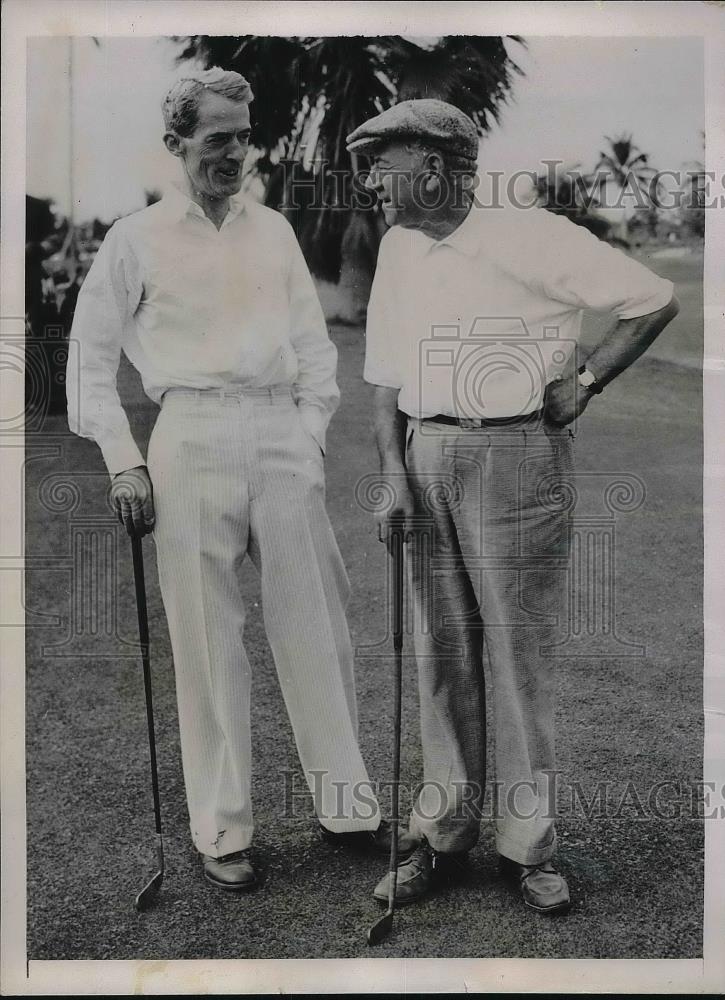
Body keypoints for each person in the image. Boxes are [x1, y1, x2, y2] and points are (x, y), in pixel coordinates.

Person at [66, 68, 416, 892]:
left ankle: (348, 808)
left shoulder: (272, 231)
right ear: (177, 143)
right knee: (207, 641)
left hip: (278, 436)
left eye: (242, 135)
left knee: (316, 629)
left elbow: (314, 350)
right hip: (187, 437)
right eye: (216, 136)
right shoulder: (135, 240)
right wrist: (123, 458)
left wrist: (307, 436)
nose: (233, 152)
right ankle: (221, 828)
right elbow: (85, 362)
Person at [346, 99, 679, 913]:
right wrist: (390, 470)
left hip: (515, 456)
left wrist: (585, 382)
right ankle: (442, 835)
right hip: (425, 453)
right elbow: (386, 373)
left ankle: (528, 848)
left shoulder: (527, 231)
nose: (367, 183)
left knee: (517, 657)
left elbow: (651, 297)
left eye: (379, 165)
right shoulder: (399, 246)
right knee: (440, 653)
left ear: (430, 165)